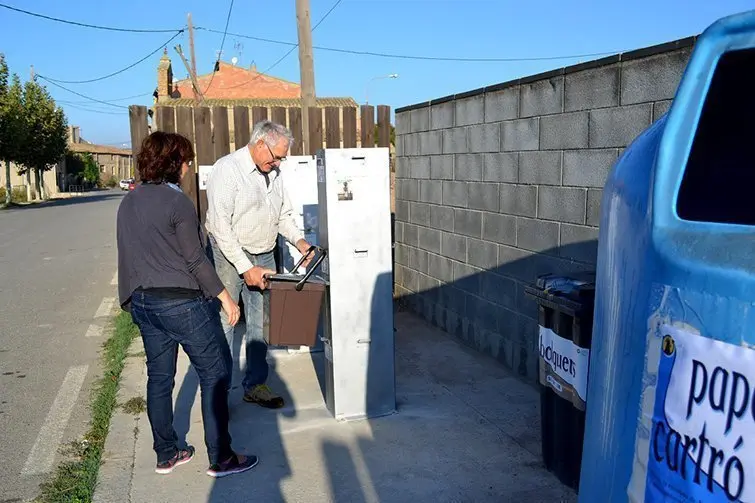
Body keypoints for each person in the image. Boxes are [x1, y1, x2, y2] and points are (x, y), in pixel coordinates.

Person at [116, 131, 258, 478]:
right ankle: (222, 457)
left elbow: (126, 255)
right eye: (185, 159)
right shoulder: (176, 202)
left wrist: (131, 302)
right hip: (181, 303)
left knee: (159, 379)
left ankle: (167, 454)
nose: (189, 166)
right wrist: (225, 297)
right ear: (172, 162)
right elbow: (195, 260)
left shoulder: (128, 202)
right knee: (216, 373)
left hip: (144, 304)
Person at [205, 120, 313, 408]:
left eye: (282, 158)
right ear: (260, 143)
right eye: (276, 156)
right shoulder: (228, 169)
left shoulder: (273, 173)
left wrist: (299, 242)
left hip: (264, 253)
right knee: (227, 320)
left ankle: (255, 385)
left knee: (260, 323)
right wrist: (245, 267)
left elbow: (282, 216)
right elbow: (219, 226)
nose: (278, 163)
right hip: (229, 254)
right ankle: (220, 394)